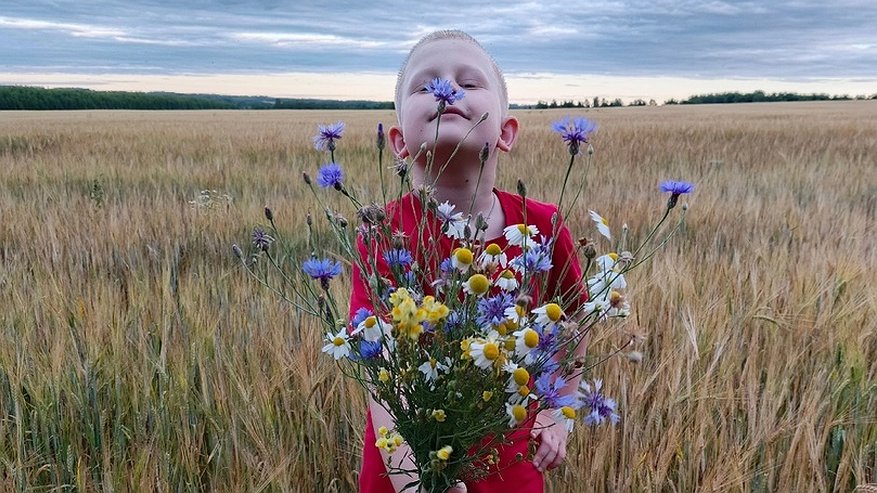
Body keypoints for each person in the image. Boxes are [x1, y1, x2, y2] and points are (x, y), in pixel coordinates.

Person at [349, 30, 589, 493]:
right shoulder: (384, 233)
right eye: (426, 86)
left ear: (506, 133)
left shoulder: (542, 223)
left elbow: (576, 321)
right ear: (398, 142)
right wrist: (412, 480)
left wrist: (559, 409)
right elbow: (377, 368)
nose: (449, 90)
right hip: (402, 463)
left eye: (470, 83)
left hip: (510, 462)